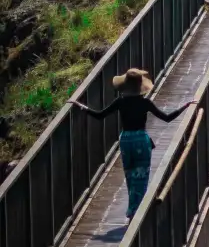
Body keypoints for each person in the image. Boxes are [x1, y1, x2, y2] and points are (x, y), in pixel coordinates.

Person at [73, 68, 188, 218]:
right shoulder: (145, 103)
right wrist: (185, 106)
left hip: (126, 140)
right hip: (141, 140)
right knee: (141, 176)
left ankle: (132, 208)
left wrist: (81, 106)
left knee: (130, 175)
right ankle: (136, 210)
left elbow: (100, 115)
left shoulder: (120, 102)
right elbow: (167, 118)